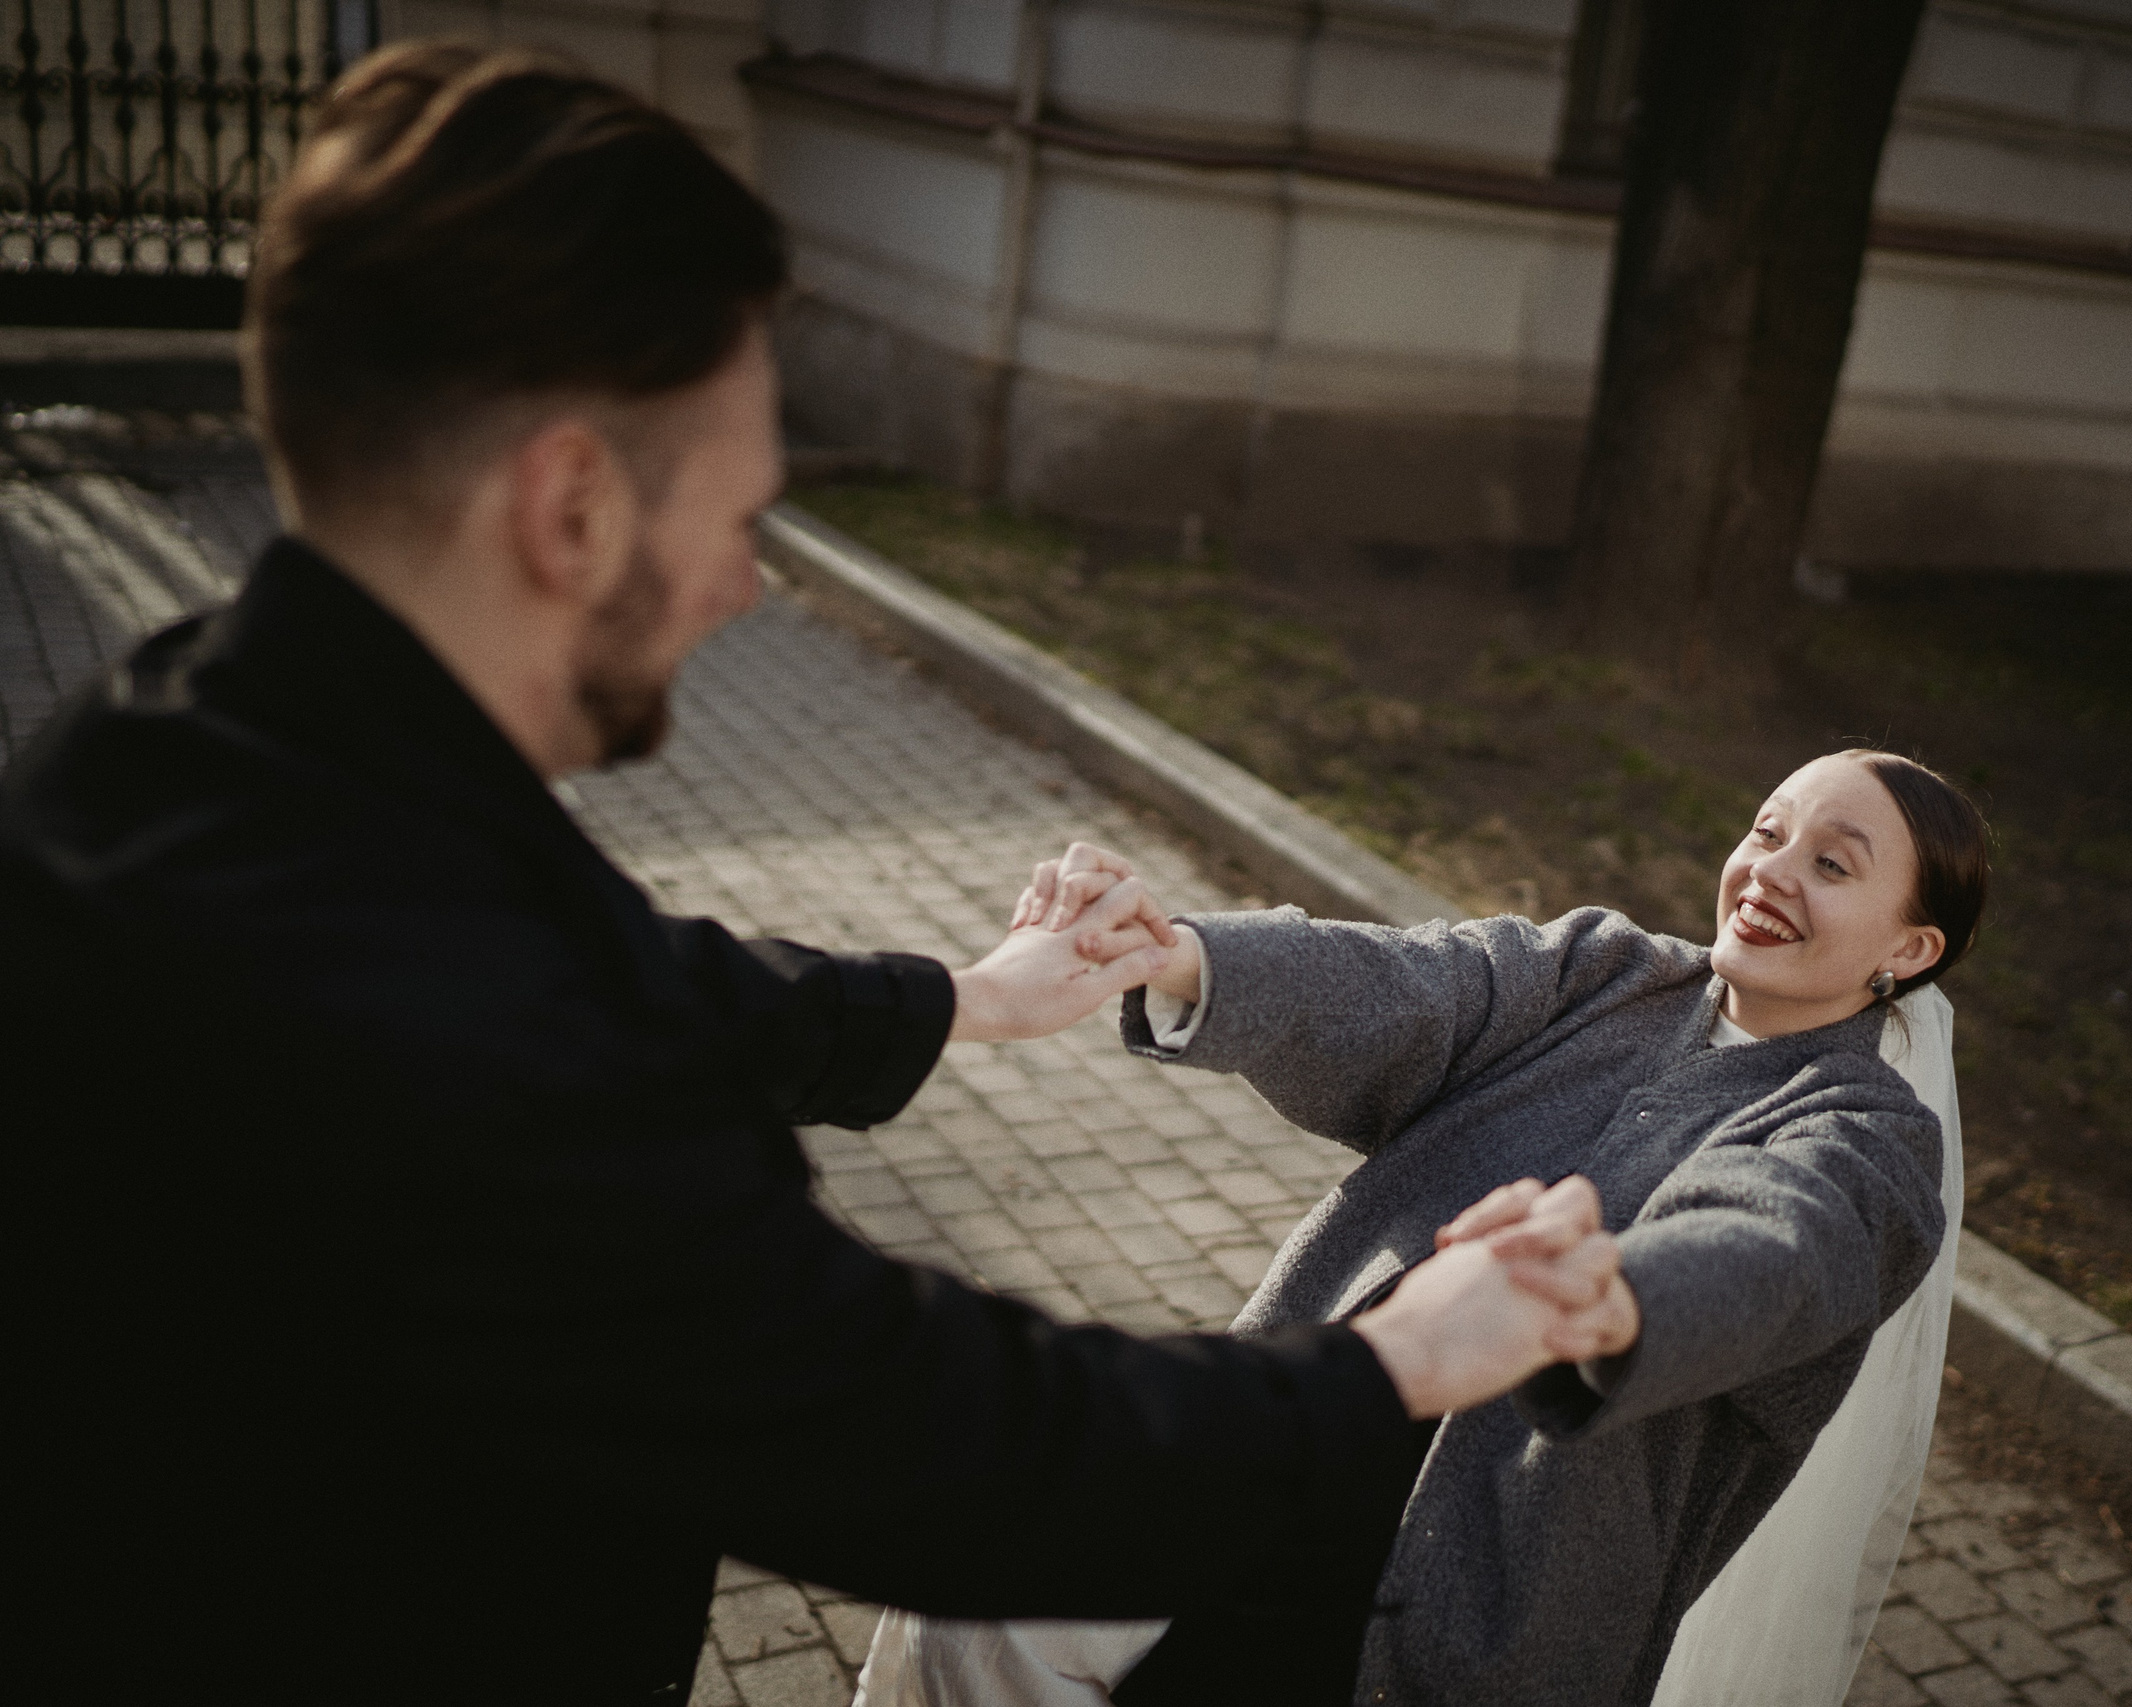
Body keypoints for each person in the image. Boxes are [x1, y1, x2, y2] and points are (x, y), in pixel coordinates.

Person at [0, 45, 1631, 1706]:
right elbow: (954, 1444)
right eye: (740, 517)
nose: (748, 589)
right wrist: (1399, 1358)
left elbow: (632, 975)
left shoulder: (176, 748)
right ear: (571, 504)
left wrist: (966, 1002)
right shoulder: (487, 1051)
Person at [863, 748, 1989, 1707]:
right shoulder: (1603, 971)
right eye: (1768, 830)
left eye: (1830, 864)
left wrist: (1616, 1294)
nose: (1770, 871)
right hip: (1289, 1441)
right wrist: (1178, 953)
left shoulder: (1868, 1135)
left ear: (1908, 951)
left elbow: (1784, 1244)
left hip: (1468, 1598)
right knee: (969, 1603)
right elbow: (1415, 985)